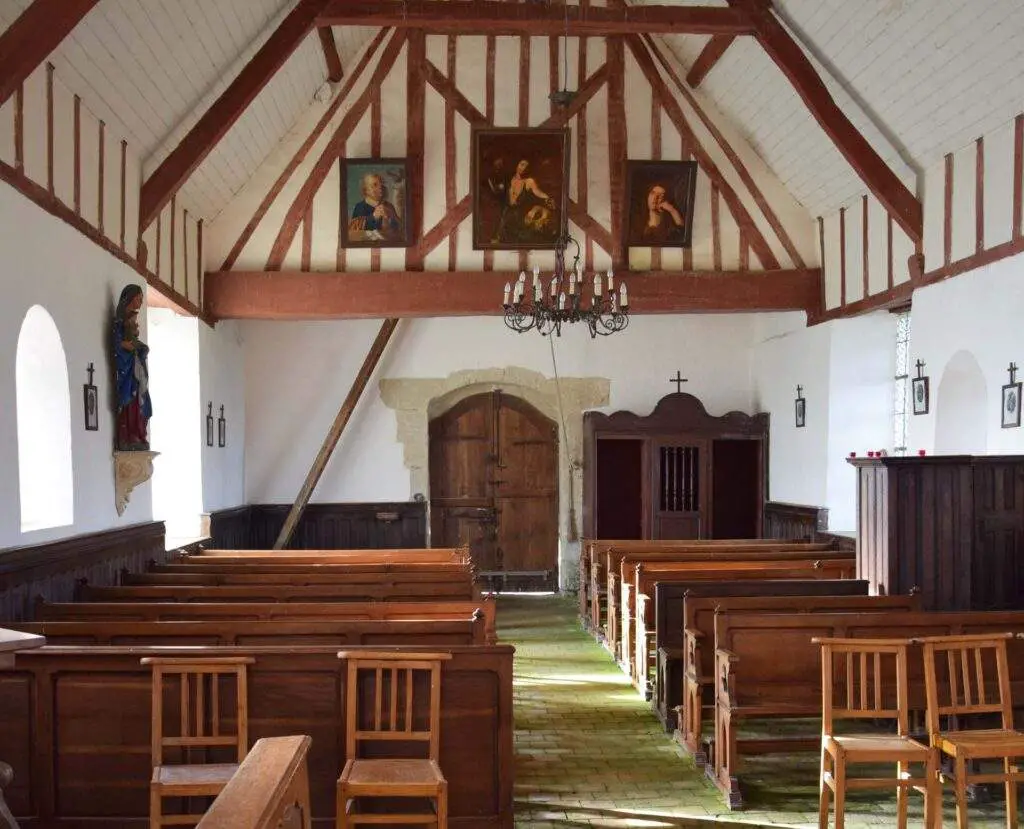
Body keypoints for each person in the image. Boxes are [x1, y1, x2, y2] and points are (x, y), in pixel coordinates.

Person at [112, 284, 152, 451]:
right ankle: (128, 435)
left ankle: (138, 434)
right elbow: (117, 343)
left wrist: (140, 347)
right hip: (127, 369)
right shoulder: (119, 321)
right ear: (130, 297)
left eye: (142, 299)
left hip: (136, 366)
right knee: (130, 399)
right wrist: (129, 346)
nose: (141, 302)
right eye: (139, 298)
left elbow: (133, 342)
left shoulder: (131, 319)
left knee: (140, 399)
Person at [489, 158, 557, 244]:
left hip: (519, 217)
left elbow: (538, 192)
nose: (523, 168)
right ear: (517, 164)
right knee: (497, 239)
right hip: (505, 215)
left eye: (526, 166)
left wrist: (548, 198)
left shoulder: (529, 181)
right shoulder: (509, 178)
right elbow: (497, 189)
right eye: (522, 164)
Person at [349, 172, 401, 240]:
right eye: (375, 185)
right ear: (366, 190)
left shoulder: (389, 206)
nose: (380, 187)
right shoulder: (360, 207)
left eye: (381, 184)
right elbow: (353, 229)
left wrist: (391, 216)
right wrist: (373, 216)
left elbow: (399, 228)